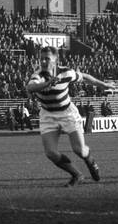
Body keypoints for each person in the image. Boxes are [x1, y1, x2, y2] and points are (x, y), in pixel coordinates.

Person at [24, 46, 106, 187]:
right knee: (50, 153)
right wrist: (48, 83)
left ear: (55, 60)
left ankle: (89, 159)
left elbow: (84, 77)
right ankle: (77, 175)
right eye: (41, 58)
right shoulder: (37, 75)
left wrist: (103, 84)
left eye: (47, 59)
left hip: (67, 113)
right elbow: (30, 87)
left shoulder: (66, 72)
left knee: (79, 150)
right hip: (48, 115)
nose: (43, 61)